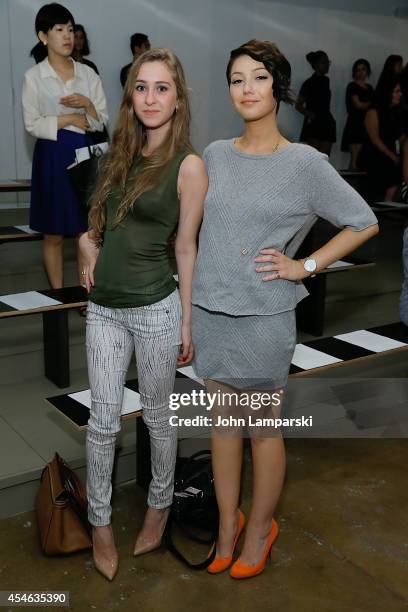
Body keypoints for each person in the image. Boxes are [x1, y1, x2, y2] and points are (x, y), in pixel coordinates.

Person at [191, 39, 379, 580]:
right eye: (236, 79)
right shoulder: (215, 154)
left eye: (257, 77)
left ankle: (259, 530)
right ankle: (228, 525)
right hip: (211, 309)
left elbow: (363, 221)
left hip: (265, 316)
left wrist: (306, 266)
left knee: (262, 430)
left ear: (278, 85)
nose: (246, 88)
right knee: (222, 427)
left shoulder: (304, 163)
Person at [79, 47, 207, 581]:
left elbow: (186, 247)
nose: (150, 98)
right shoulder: (118, 156)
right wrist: (87, 245)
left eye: (162, 88)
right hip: (103, 310)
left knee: (157, 418)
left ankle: (158, 507)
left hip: (156, 307)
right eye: (141, 87)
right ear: (130, 98)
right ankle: (101, 523)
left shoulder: (190, 165)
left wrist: (185, 320)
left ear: (178, 100)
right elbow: (100, 228)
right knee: (102, 423)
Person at [22, 3, 108, 289]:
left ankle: (85, 294)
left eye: (70, 29)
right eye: (59, 30)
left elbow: (101, 122)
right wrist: (67, 118)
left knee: (84, 230)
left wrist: (87, 105)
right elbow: (32, 123)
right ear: (43, 36)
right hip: (51, 155)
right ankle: (58, 295)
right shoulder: (33, 77)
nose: (67, 35)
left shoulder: (88, 75)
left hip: (83, 155)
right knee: (53, 234)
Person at [361, 78, 405, 201]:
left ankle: (389, 201)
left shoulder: (396, 112)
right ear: (388, 93)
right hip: (376, 153)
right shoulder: (373, 112)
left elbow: (399, 135)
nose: (400, 94)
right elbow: (375, 139)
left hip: (391, 151)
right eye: (396, 91)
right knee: (389, 168)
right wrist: (393, 156)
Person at [295, 50, 336, 155]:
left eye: (328, 62)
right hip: (315, 123)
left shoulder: (327, 81)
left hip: (327, 121)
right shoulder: (308, 83)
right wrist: (312, 116)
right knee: (315, 158)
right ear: (315, 65)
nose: (327, 65)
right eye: (324, 62)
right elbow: (298, 105)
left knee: (324, 159)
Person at [341, 59, 374, 170]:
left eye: (363, 70)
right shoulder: (352, 86)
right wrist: (374, 102)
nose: (360, 73)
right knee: (355, 161)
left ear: (367, 71)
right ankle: (351, 186)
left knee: (363, 160)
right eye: (358, 70)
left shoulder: (370, 88)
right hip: (356, 125)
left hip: (367, 125)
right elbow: (358, 105)